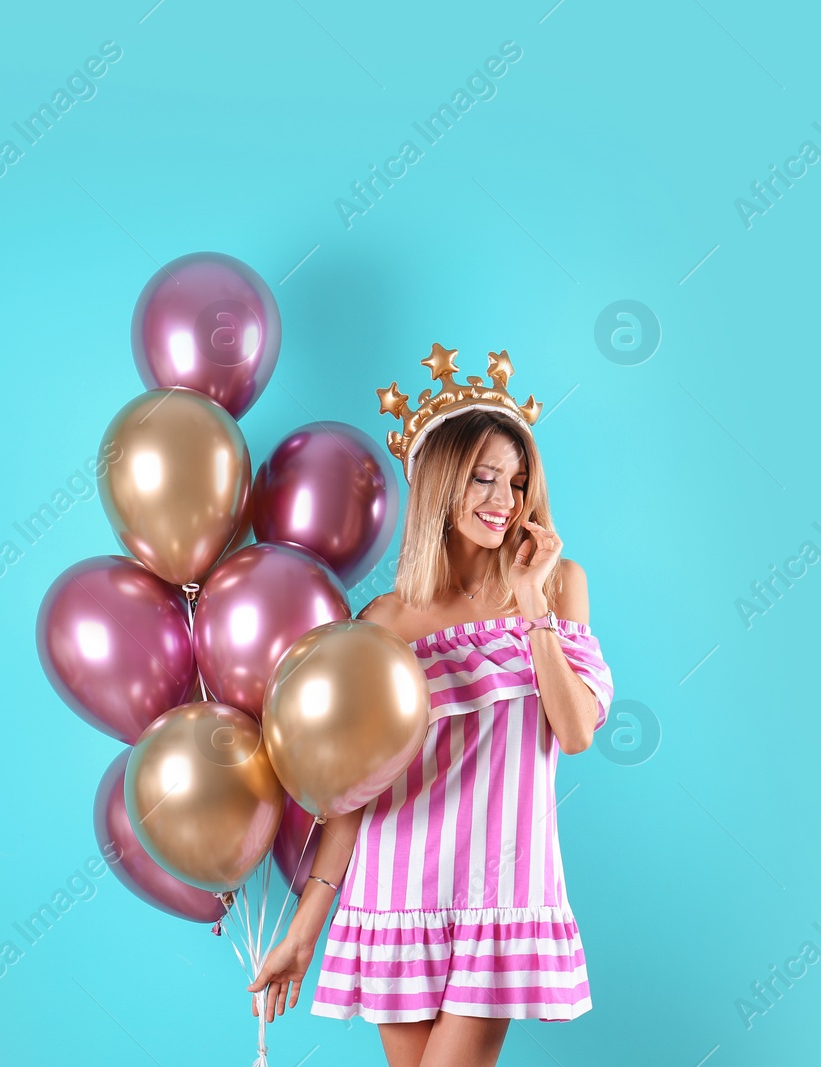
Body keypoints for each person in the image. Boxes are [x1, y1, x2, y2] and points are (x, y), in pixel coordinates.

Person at [249, 347, 614, 1067]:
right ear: (440, 483)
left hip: (501, 893)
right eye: (482, 476)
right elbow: (352, 798)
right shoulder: (384, 621)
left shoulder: (559, 583)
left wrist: (533, 601)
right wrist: (301, 932)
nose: (503, 499)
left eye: (516, 481)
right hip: (394, 895)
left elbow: (573, 733)